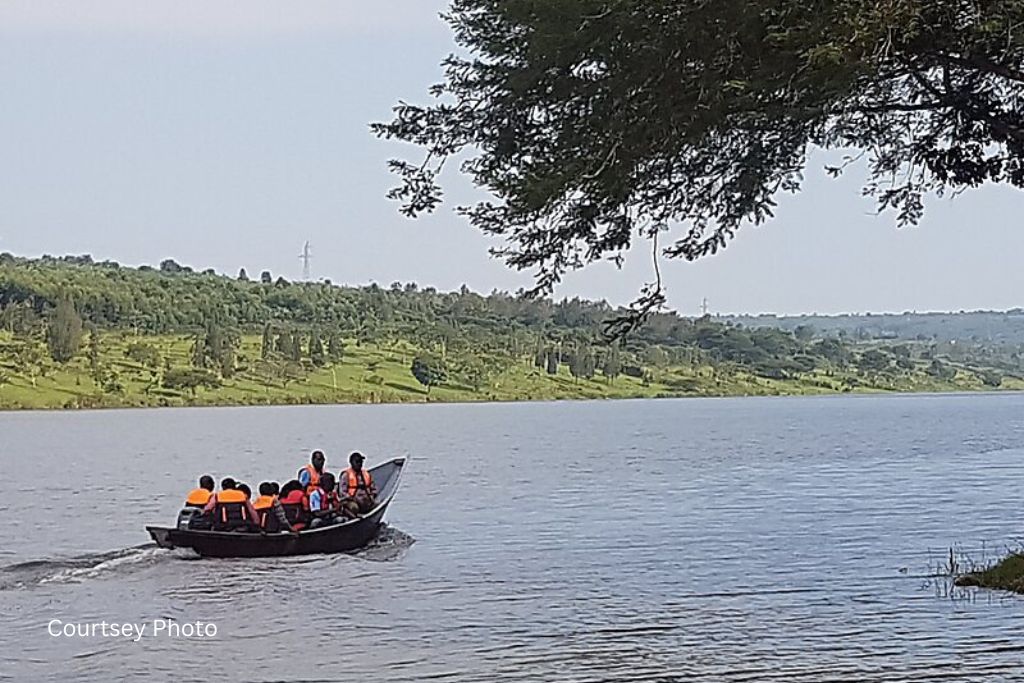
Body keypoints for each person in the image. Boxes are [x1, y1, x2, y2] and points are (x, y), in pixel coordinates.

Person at [340, 452, 377, 517]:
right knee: (354, 507)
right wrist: (351, 498)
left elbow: (373, 488)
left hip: (366, 499)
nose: (359, 464)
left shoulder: (366, 474)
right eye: (357, 462)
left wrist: (372, 495)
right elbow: (342, 492)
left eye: (361, 462)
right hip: (352, 500)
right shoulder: (346, 475)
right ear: (351, 463)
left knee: (377, 504)